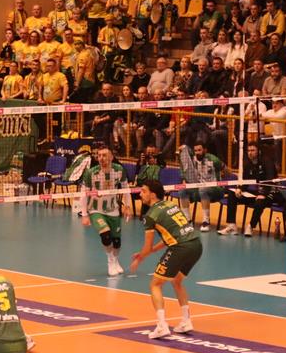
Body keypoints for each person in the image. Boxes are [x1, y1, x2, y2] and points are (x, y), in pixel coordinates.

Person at [129, 179, 202, 339]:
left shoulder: (151, 215)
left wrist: (140, 258)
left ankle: (162, 326)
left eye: (143, 191)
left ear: (152, 194)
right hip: (196, 245)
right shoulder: (171, 205)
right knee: (177, 281)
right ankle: (186, 321)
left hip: (180, 248)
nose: (140, 194)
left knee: (155, 284)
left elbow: (147, 247)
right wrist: (150, 251)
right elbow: (171, 235)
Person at [80, 145, 131, 276]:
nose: (101, 158)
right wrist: (84, 214)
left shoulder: (119, 170)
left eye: (104, 155)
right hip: (96, 210)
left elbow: (126, 189)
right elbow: (83, 194)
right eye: (99, 155)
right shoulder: (91, 173)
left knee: (117, 242)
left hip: (113, 210)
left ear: (111, 157)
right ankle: (110, 261)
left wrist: (127, 206)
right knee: (105, 234)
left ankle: (115, 260)